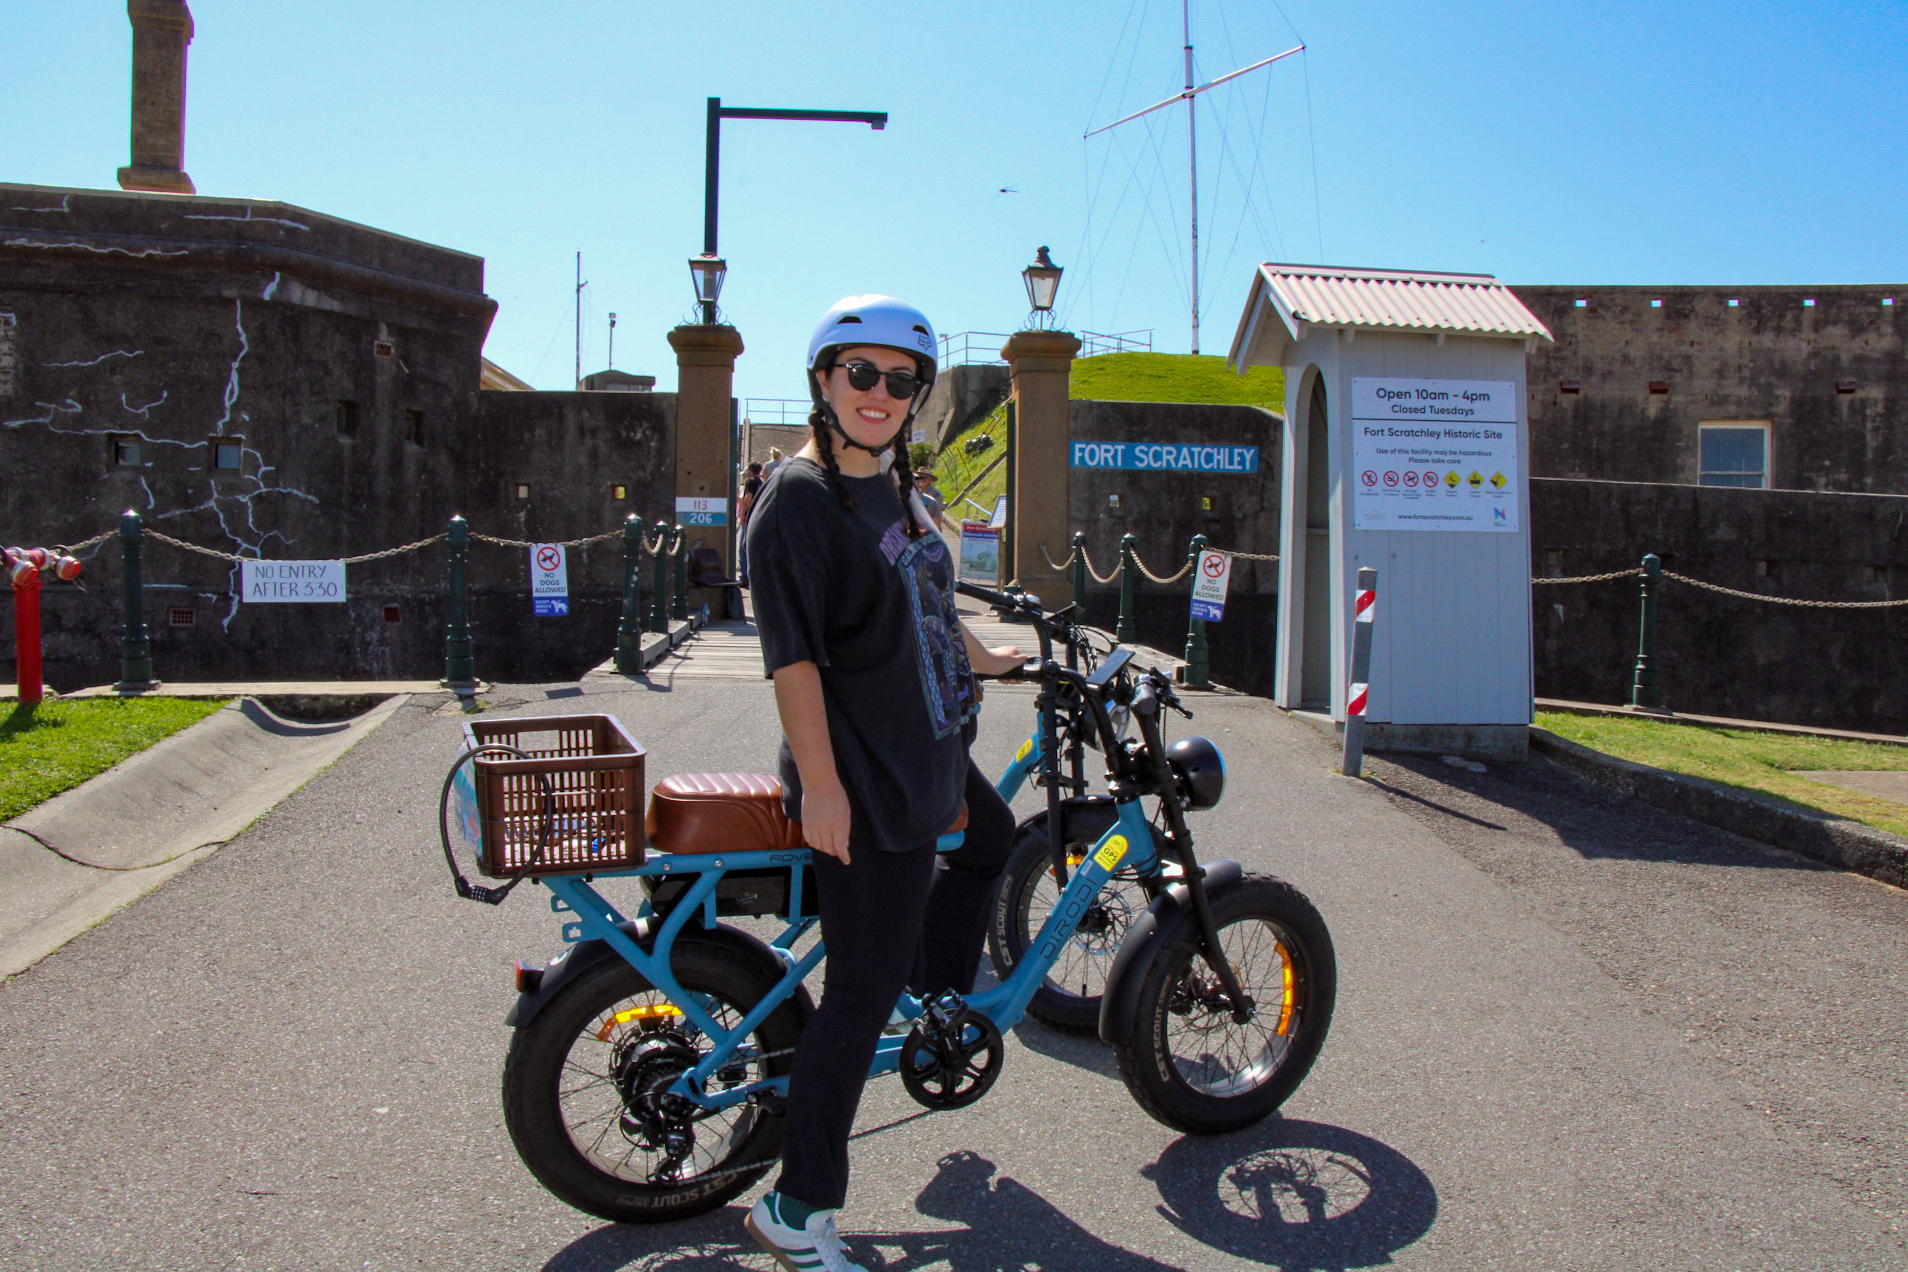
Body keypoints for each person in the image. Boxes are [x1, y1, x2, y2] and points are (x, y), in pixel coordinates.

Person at [743, 296, 1023, 1272]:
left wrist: (999, 659)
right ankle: (796, 1206)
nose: (880, 393)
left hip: (932, 751)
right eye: (860, 373)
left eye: (901, 381)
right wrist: (819, 786)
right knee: (856, 999)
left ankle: (931, 987)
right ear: (824, 380)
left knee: (996, 842)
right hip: (864, 782)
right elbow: (795, 662)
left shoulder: (895, 488)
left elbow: (927, 604)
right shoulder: (801, 502)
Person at [737, 461, 764, 585]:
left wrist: (743, 513)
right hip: (757, 516)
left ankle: (744, 576)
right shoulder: (761, 483)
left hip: (749, 516)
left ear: (750, 470)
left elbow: (748, 497)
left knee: (743, 547)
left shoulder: (750, 482)